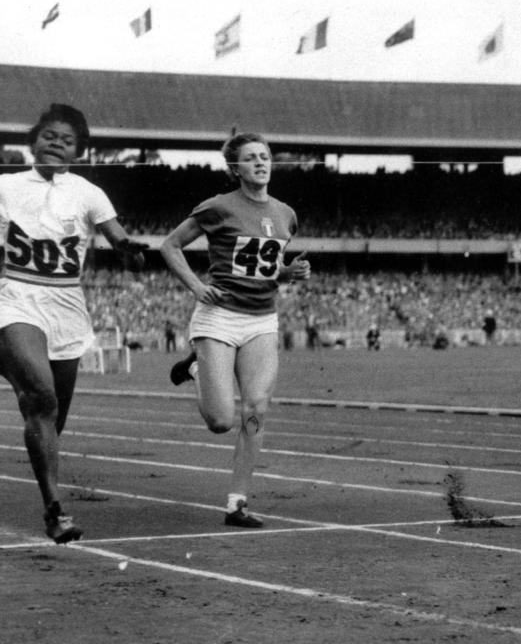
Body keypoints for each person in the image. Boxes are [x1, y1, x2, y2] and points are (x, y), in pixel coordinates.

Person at [0, 103, 147, 542]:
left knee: (51, 417)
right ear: (34, 141)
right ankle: (55, 510)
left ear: (77, 150)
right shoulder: (6, 187)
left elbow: (118, 236)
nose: (57, 143)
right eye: (49, 135)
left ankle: (45, 475)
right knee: (41, 397)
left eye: (67, 140)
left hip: (66, 306)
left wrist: (129, 252)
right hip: (16, 299)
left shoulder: (88, 192)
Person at [160, 132, 311, 527]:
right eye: (250, 158)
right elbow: (170, 246)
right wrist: (196, 285)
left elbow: (261, 265)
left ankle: (237, 502)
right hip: (220, 318)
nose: (260, 163)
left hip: (262, 319)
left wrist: (287, 272)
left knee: (256, 408)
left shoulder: (286, 214)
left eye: (265, 156)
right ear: (235, 168)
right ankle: (195, 367)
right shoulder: (218, 207)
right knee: (220, 421)